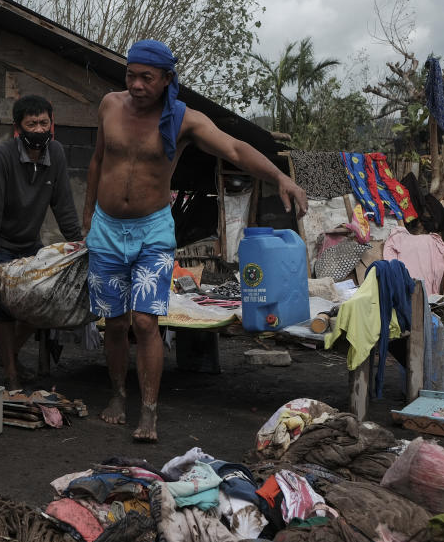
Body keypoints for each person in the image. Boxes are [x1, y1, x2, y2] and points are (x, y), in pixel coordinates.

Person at [83, 40, 308, 442]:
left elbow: (236, 148)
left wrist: (280, 177)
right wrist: (87, 220)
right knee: (114, 324)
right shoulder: (109, 105)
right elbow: (98, 161)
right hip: (106, 230)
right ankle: (118, 395)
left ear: (167, 79)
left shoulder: (182, 119)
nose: (135, 85)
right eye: (130, 75)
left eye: (146, 78)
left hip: (152, 231)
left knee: (145, 321)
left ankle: (149, 411)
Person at [0, 95, 84, 390]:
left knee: (41, 300)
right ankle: (10, 373)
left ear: (52, 124)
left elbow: (63, 205)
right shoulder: (3, 156)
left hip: (29, 239)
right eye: (31, 124)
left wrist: (81, 243)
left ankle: (7, 355)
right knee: (5, 307)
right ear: (18, 128)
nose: (38, 129)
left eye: (43, 123)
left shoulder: (57, 154)